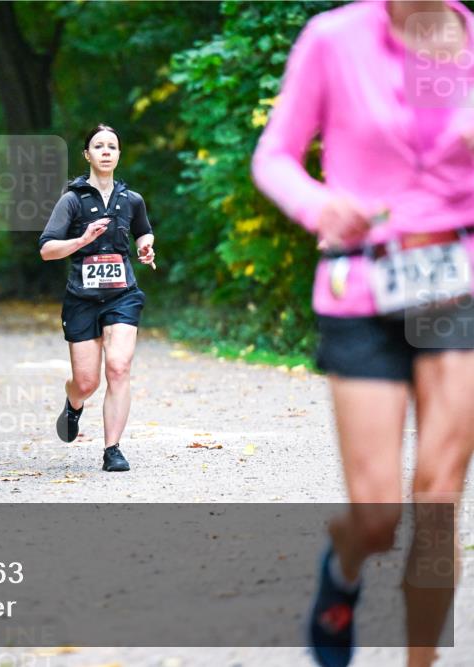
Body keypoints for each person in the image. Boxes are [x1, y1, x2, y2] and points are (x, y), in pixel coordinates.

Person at [252, 2, 474, 666]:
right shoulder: (334, 39)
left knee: (438, 500)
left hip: (456, 283)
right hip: (363, 286)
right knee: (377, 516)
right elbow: (275, 156)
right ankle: (343, 565)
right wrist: (319, 204)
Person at [39, 124, 156, 473]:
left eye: (112, 146)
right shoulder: (72, 200)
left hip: (123, 295)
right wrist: (82, 239)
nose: (106, 151)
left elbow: (142, 230)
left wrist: (145, 246)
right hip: (82, 299)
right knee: (87, 382)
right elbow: (47, 249)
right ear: (87, 155)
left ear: (119, 155)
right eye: (98, 146)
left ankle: (112, 449)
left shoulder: (131, 199)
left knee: (118, 367)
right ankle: (74, 403)